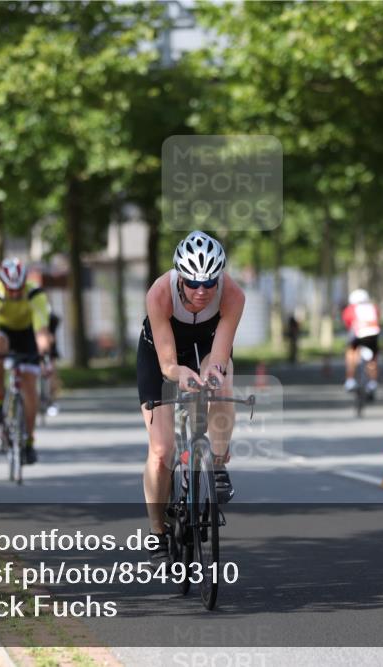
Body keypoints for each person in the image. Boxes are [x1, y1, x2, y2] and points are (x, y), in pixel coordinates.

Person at [137, 230, 245, 569]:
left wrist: (213, 373)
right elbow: (168, 364)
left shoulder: (233, 295)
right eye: (193, 283)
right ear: (180, 277)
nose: (202, 291)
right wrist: (178, 373)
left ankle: (218, 465)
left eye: (209, 283)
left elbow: (219, 355)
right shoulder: (159, 293)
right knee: (161, 451)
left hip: (207, 347)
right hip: (162, 354)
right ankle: (157, 533)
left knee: (221, 383)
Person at [0, 258, 53, 463]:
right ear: (2, 283)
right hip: (3, 333)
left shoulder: (35, 294)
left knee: (30, 387)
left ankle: (29, 441)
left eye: (18, 290)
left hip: (28, 333)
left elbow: (41, 333)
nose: (14, 294)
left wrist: (45, 357)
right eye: (10, 290)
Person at [341, 289, 380, 399]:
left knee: (351, 351)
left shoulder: (350, 309)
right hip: (373, 335)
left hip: (358, 335)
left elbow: (348, 324)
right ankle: (373, 382)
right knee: (373, 359)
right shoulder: (373, 307)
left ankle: (350, 380)